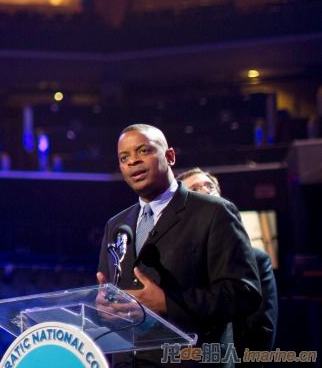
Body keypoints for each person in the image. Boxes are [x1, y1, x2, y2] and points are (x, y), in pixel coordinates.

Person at [97, 124, 262, 367]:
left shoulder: (214, 212)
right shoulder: (116, 224)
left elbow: (243, 294)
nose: (133, 161)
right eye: (124, 157)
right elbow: (115, 301)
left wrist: (167, 302)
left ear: (170, 156)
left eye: (143, 151)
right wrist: (104, 309)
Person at [176, 168, 278, 362]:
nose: (205, 190)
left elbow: (261, 329)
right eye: (195, 188)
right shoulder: (177, 258)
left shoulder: (256, 259)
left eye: (209, 186)